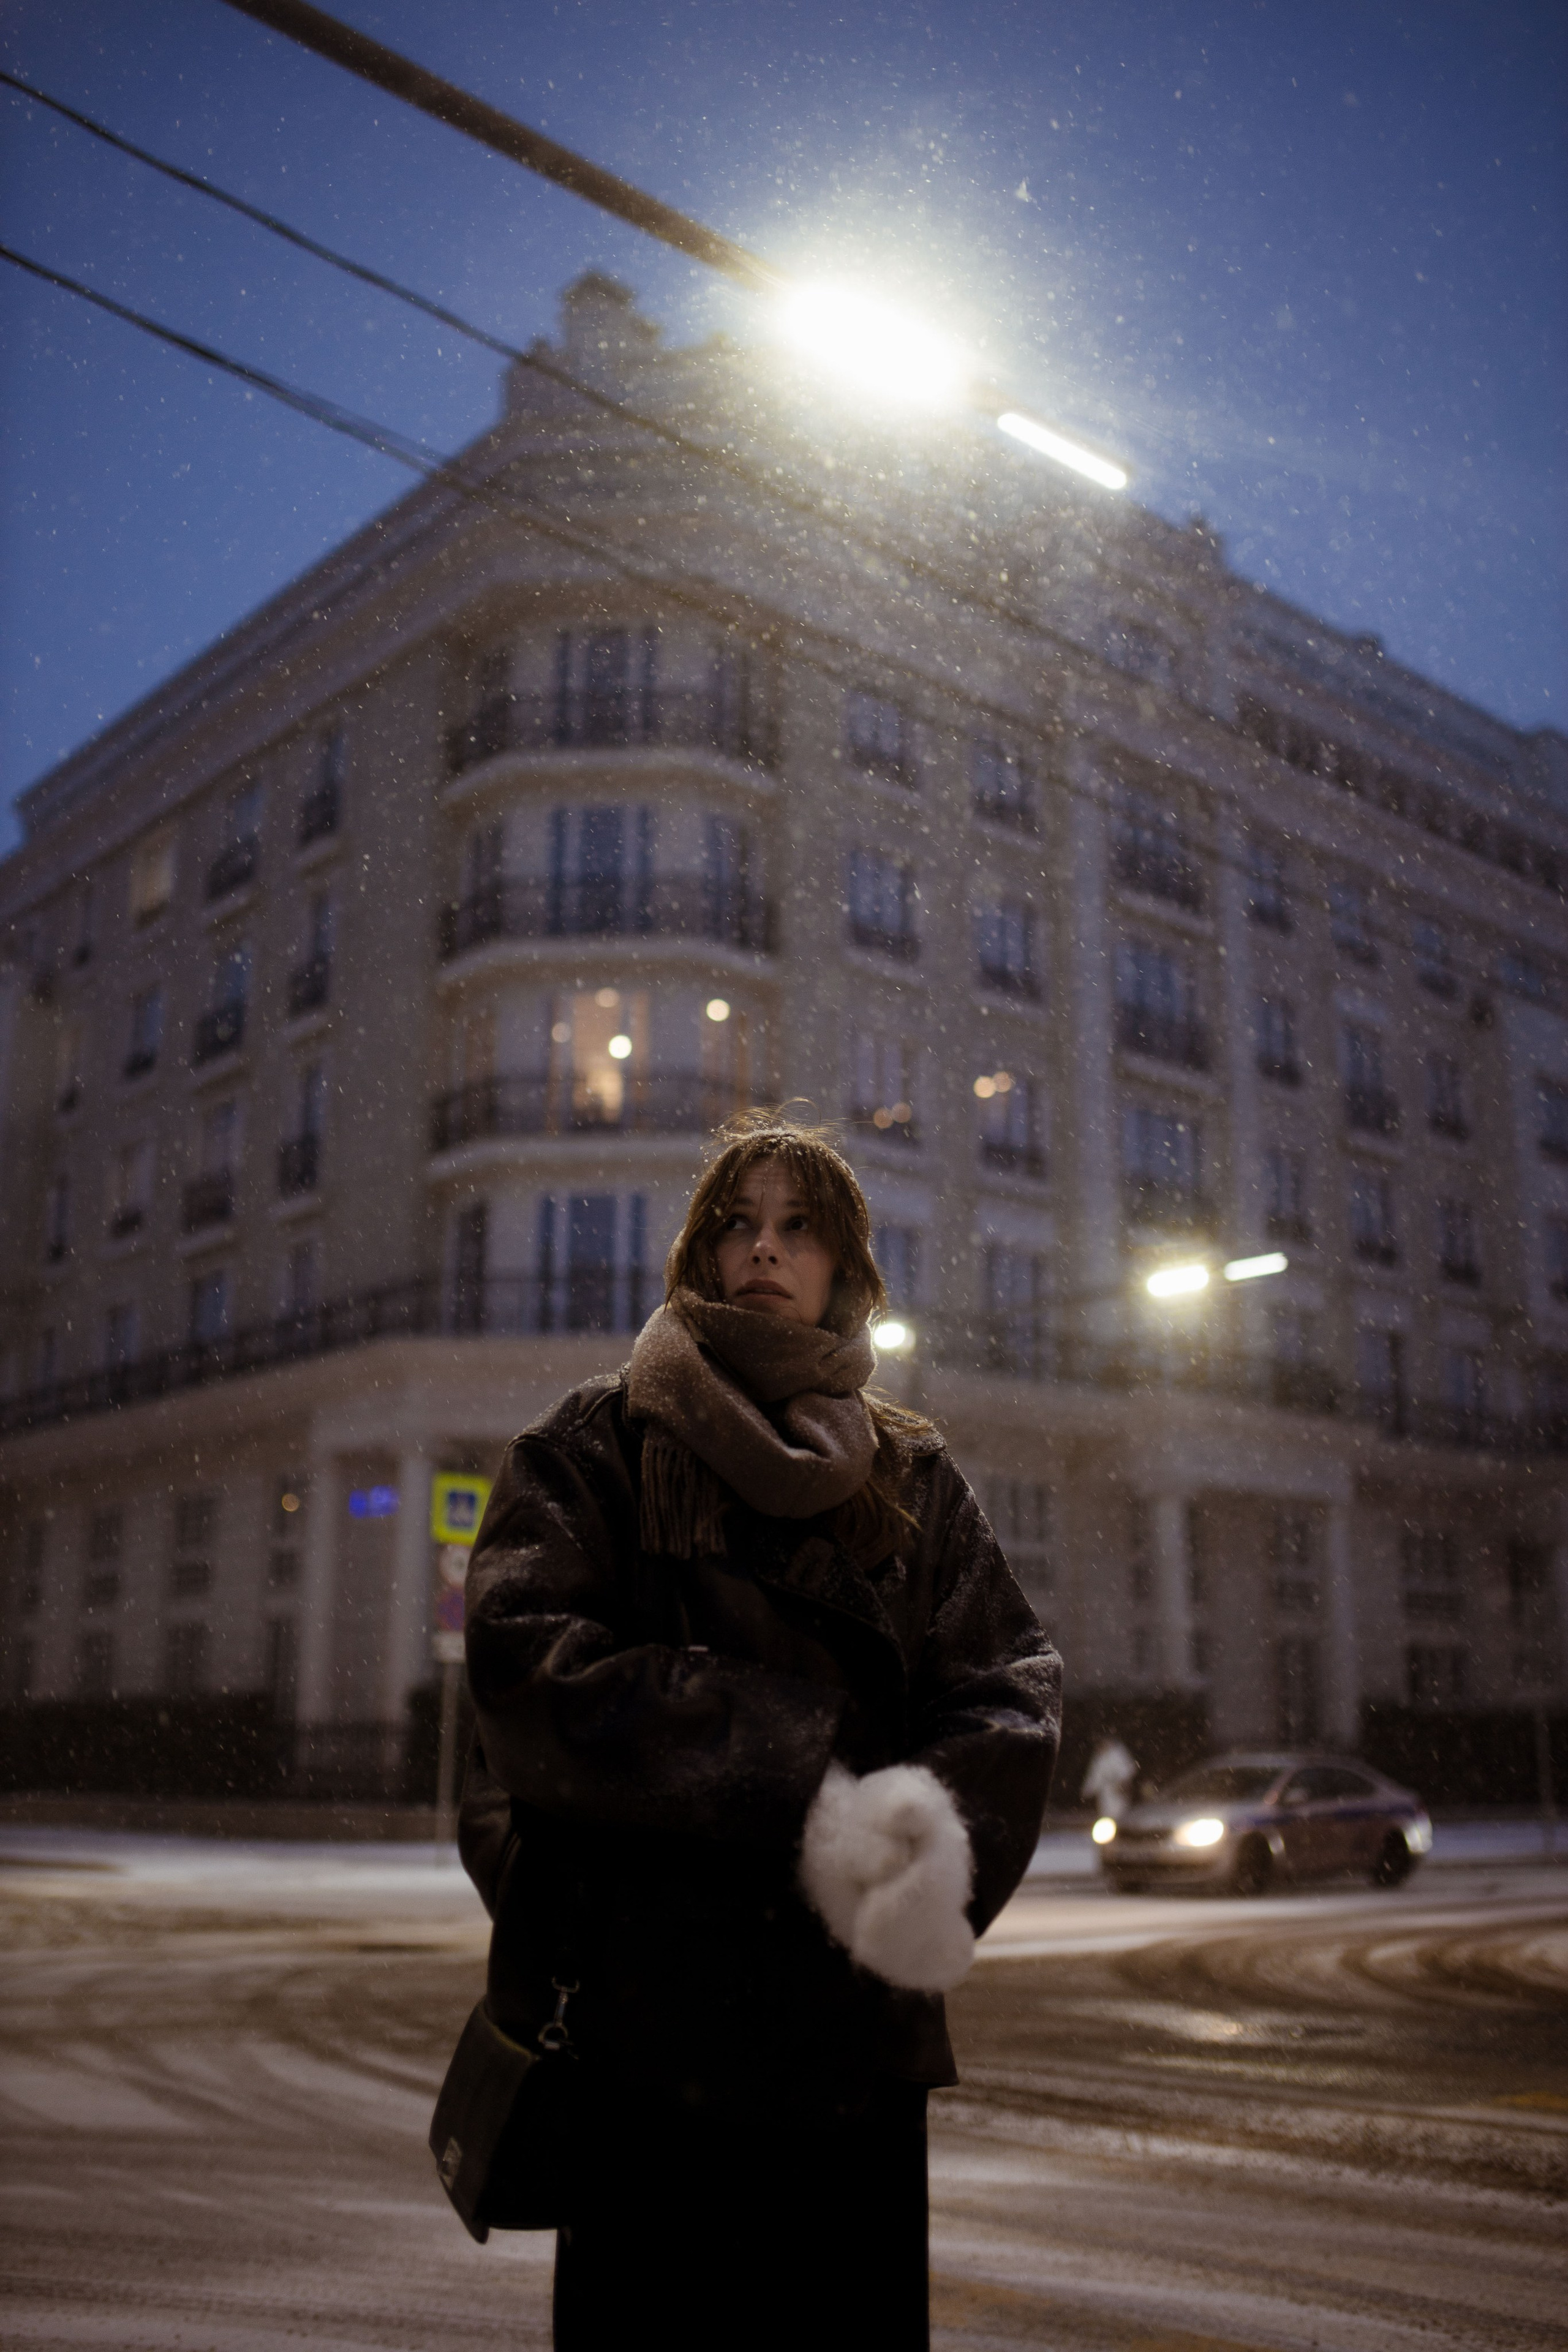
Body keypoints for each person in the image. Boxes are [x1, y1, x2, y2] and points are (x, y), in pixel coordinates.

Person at [457, 1114, 1061, 2350]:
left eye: (799, 1228)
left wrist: (907, 1856)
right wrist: (789, 1769)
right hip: (647, 2033)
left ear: (845, 1269)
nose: (764, 1251)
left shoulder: (916, 1480)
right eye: (738, 1223)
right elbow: (528, 1669)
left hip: (847, 2035)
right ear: (699, 1249)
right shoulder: (601, 1443)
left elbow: (1007, 1688)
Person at [1081, 1734, 1138, 1821]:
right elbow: (1095, 1775)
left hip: (1118, 1788)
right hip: (1105, 1790)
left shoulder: (1118, 1754)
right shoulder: (1099, 1758)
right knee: (1105, 1810)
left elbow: (1128, 1768)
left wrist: (1122, 1782)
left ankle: (1120, 1827)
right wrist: (1088, 1790)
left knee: (1119, 1810)